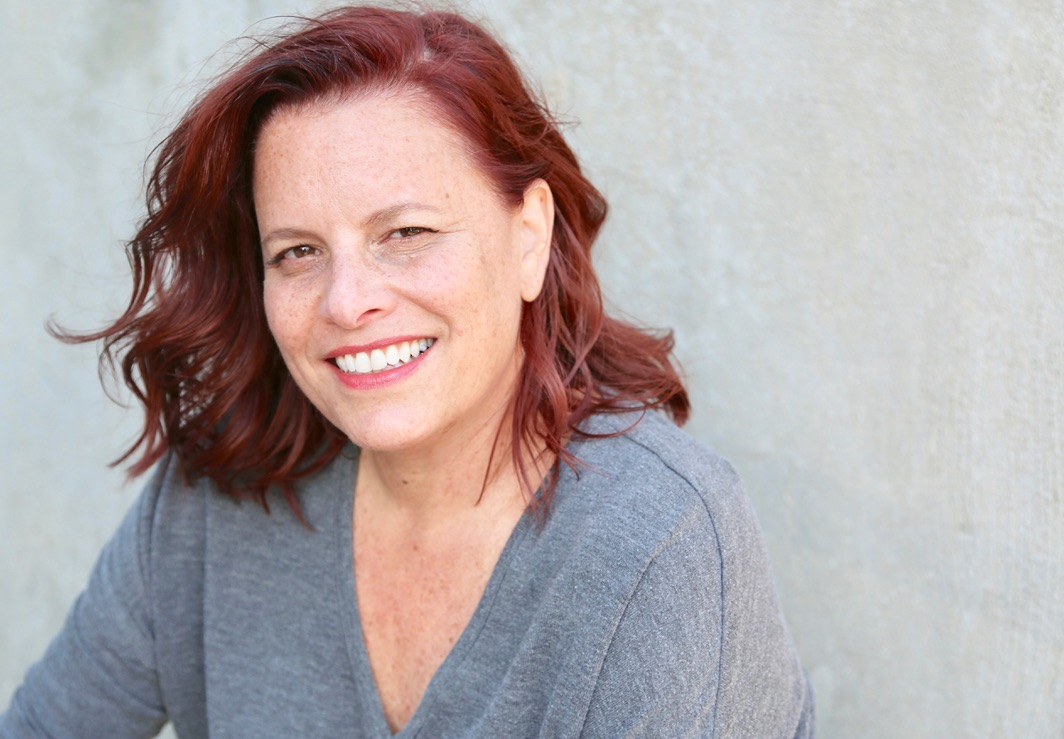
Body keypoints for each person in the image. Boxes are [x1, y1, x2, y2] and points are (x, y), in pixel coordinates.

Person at [1, 5, 813, 737]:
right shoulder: (216, 496)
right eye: (298, 251)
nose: (347, 301)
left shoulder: (658, 543)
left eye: (406, 233)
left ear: (529, 236)